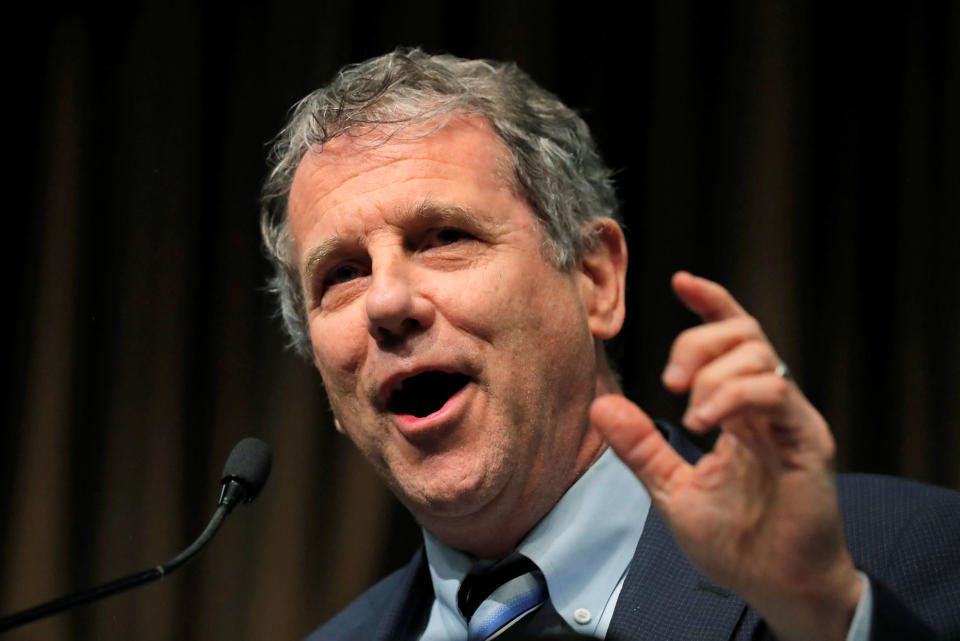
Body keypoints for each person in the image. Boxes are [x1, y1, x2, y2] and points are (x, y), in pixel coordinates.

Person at [260, 49, 960, 640]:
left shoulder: (897, 551)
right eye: (342, 274)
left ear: (595, 279)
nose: (386, 302)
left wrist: (823, 613)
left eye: (445, 237)